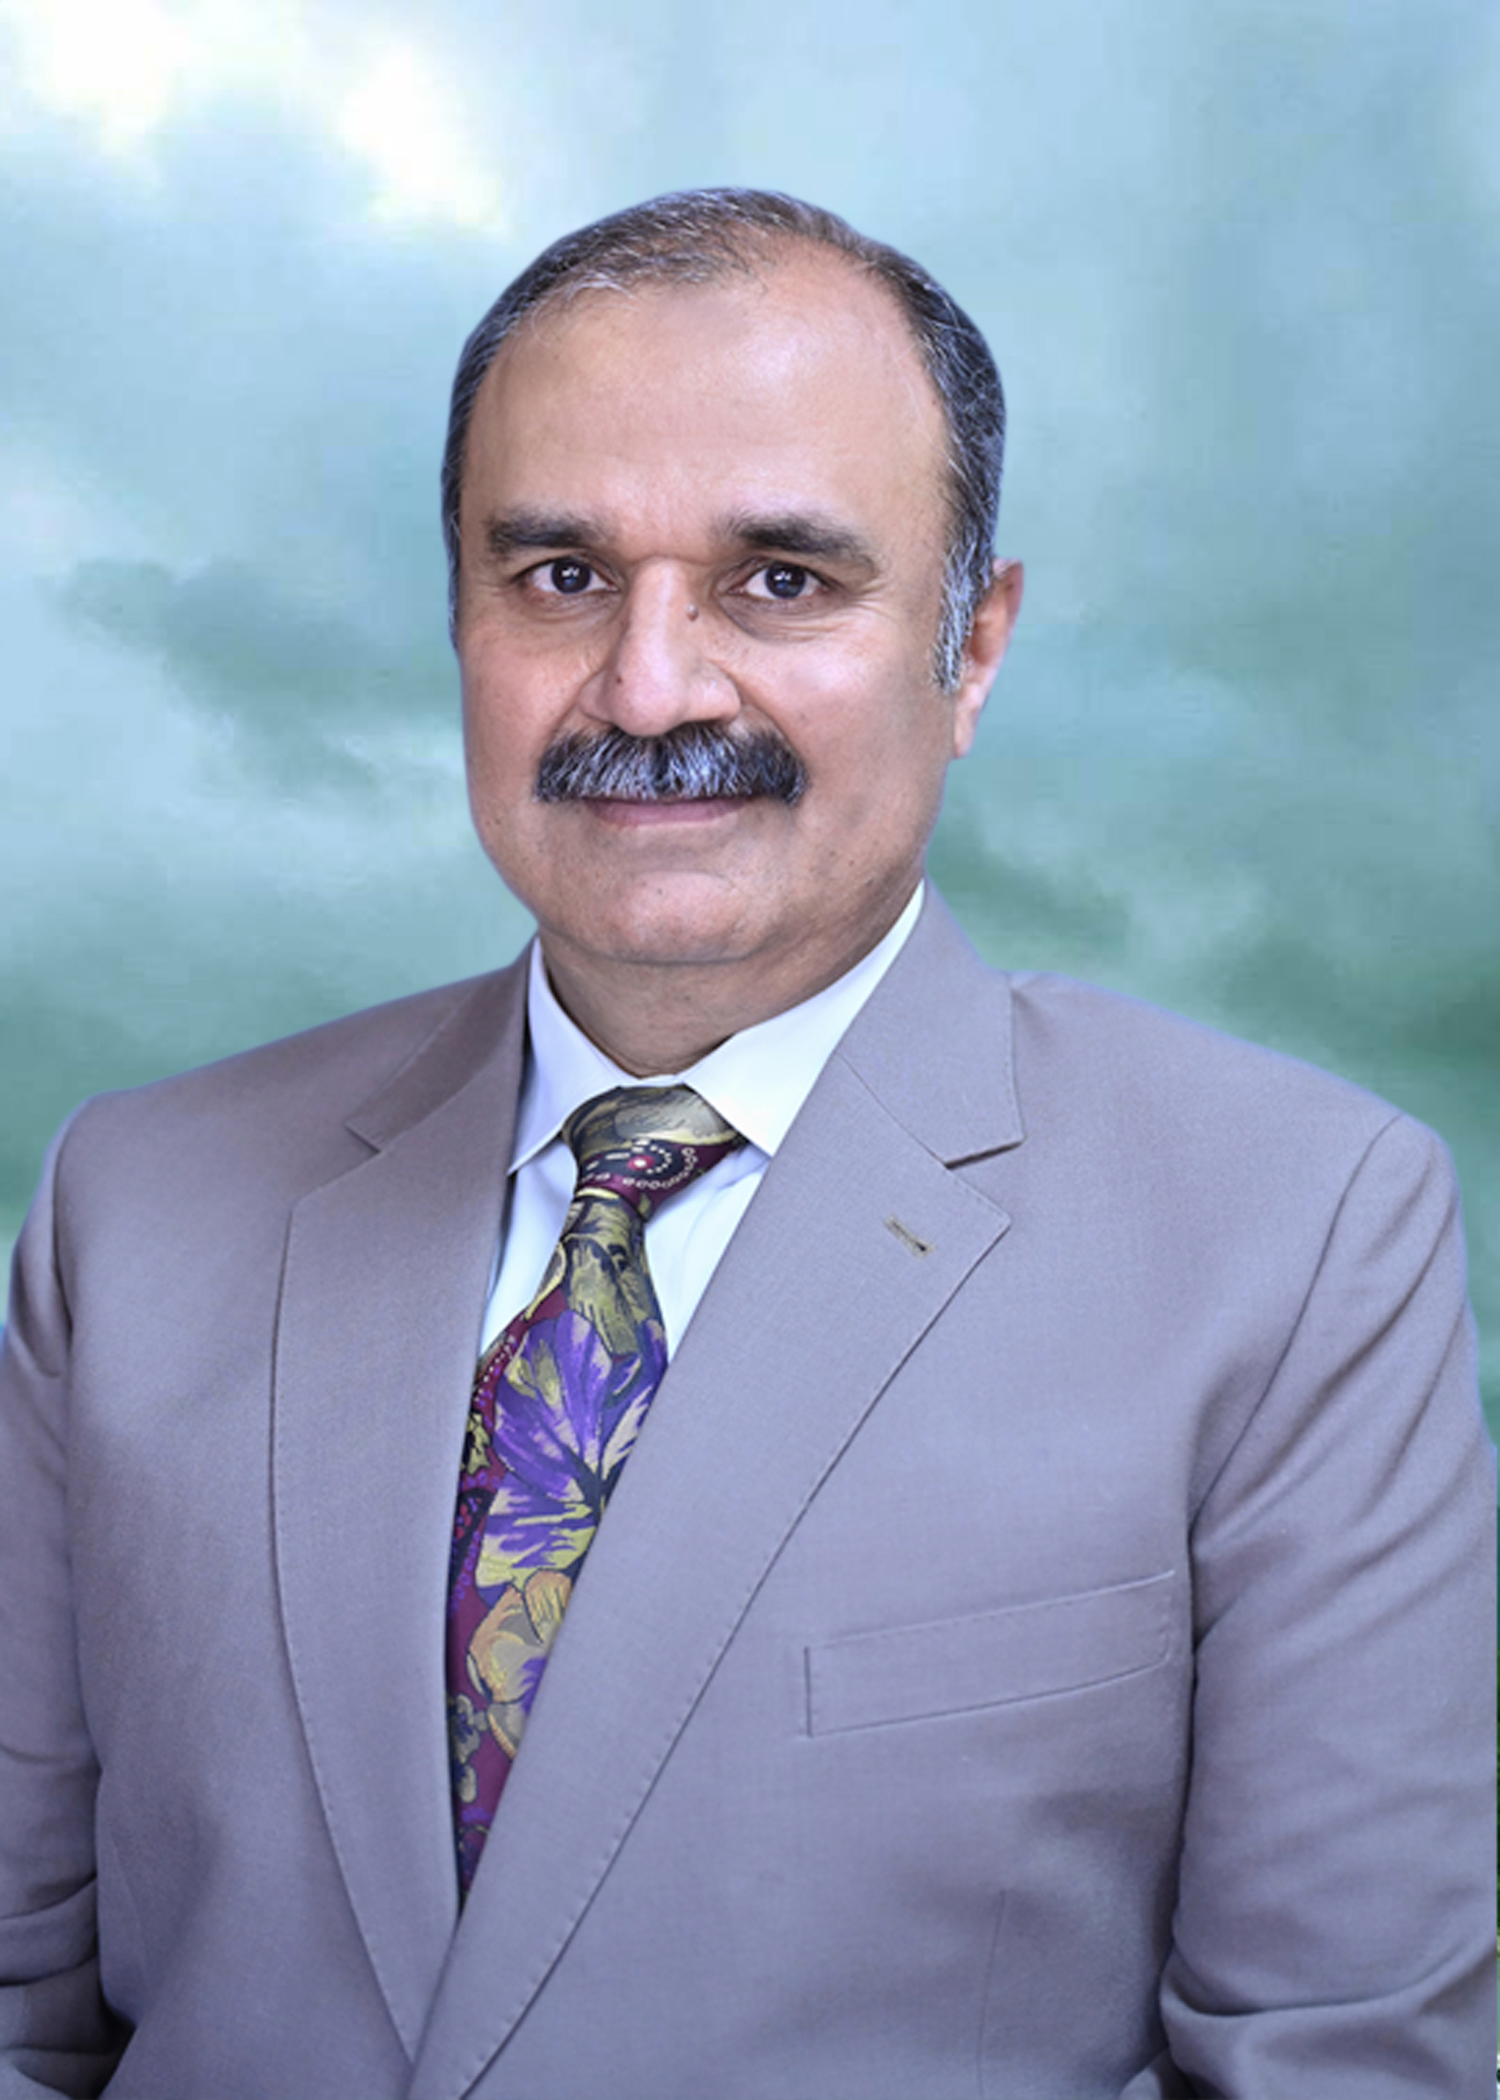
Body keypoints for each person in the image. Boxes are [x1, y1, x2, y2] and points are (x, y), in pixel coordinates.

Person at [0, 188, 1492, 2100]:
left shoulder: (1299, 1235)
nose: (649, 687)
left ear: (973, 650)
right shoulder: (131, 1211)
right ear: (459, 614)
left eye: (780, 580)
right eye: (559, 574)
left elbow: (1343, 2066)